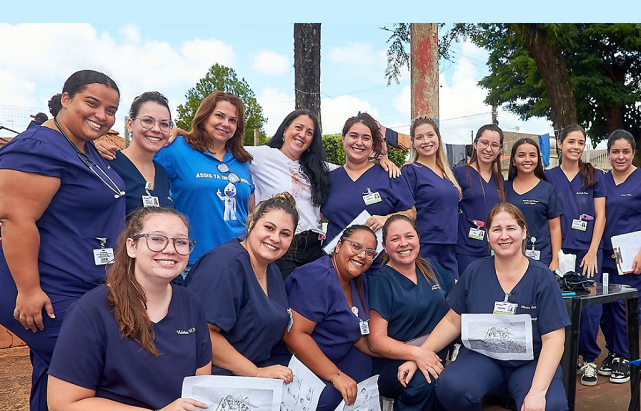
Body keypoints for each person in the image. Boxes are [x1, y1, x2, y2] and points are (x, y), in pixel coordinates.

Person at [43, 207, 247, 411]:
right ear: (132, 246)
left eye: (181, 242)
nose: (170, 249)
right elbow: (63, 406)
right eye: (157, 239)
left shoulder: (190, 303)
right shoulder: (93, 309)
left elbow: (202, 392)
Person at [0, 70, 125, 411]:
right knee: (98, 367)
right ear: (65, 98)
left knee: (52, 370)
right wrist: (29, 289)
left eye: (111, 110)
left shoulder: (78, 148)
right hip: (39, 288)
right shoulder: (36, 149)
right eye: (92, 103)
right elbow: (15, 218)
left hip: (77, 286)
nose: (102, 116)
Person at [398, 203, 570, 411]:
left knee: (553, 408)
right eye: (496, 229)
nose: (504, 236)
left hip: (528, 361)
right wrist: (421, 354)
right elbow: (452, 321)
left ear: (524, 232)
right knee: (450, 385)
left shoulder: (542, 278)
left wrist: (536, 392)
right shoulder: (475, 272)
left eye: (511, 228)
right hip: (483, 358)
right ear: (488, 236)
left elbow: (554, 339)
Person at [185, 193, 299, 411]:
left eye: (285, 233)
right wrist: (257, 373)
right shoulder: (224, 265)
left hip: (251, 364)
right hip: (212, 372)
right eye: (269, 228)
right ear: (251, 224)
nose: (275, 238)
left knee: (315, 395)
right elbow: (203, 336)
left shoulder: (270, 268)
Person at [102, 92, 254, 275]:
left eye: (233, 120)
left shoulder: (242, 161)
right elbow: (141, 154)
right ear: (204, 117)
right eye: (219, 116)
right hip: (191, 260)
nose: (225, 123)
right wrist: (95, 148)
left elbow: (248, 209)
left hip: (237, 260)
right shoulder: (176, 148)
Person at [277, 225, 377, 411]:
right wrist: (336, 376)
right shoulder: (317, 276)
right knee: (335, 389)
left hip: (329, 352)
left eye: (370, 252)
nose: (362, 255)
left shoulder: (358, 281)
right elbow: (293, 336)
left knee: (363, 364)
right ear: (339, 245)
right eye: (356, 246)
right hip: (293, 358)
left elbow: (356, 332)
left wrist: (398, 350)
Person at [367, 214, 455, 411]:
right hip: (394, 361)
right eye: (395, 239)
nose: (404, 243)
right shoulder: (382, 281)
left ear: (418, 238)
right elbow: (376, 341)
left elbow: (457, 305)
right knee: (427, 379)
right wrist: (417, 355)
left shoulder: (431, 268)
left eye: (409, 236)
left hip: (433, 352)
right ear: (384, 246)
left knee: (455, 386)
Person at [596, 130, 641, 384]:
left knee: (626, 308)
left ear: (634, 153)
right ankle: (614, 353)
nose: (620, 156)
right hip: (606, 255)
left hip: (635, 256)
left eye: (626, 151)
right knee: (605, 308)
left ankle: (628, 358)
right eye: (615, 151)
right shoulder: (601, 180)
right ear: (609, 153)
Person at [545, 124, 606, 386]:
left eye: (581, 143)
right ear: (560, 144)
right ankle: (561, 360)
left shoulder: (594, 175)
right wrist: (553, 256)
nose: (576, 147)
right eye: (571, 141)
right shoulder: (548, 177)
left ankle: (589, 359)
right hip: (558, 253)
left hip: (587, 252)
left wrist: (593, 251)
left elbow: (601, 216)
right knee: (557, 308)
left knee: (590, 308)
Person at [322, 112, 416, 275]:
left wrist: (387, 219)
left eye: (366, 138)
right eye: (353, 136)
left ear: (373, 144)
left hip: (377, 269)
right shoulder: (329, 179)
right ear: (343, 139)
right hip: (335, 268)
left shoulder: (388, 174)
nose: (359, 142)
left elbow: (412, 213)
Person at [244, 110, 332, 279]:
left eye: (309, 133)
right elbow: (222, 147)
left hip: (314, 248)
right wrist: (184, 134)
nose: (302, 135)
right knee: (285, 302)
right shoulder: (263, 156)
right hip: (283, 245)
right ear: (285, 129)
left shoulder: (317, 167)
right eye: (298, 127)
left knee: (312, 301)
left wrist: (381, 160)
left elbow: (352, 169)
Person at [400, 116, 462, 278]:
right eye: (419, 137)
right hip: (425, 246)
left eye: (430, 135)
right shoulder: (410, 171)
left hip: (450, 246)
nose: (426, 141)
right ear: (413, 143)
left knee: (450, 300)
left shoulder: (448, 174)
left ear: (438, 138)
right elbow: (404, 212)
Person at [108, 91, 174, 217]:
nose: (156, 129)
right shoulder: (109, 164)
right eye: (148, 121)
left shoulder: (161, 173)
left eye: (164, 124)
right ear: (130, 124)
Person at [452, 124, 505, 275]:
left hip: (493, 251)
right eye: (484, 143)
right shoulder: (460, 173)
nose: (489, 149)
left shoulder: (499, 179)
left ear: (500, 149)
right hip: (465, 251)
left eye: (494, 145)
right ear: (475, 144)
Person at [504, 137, 562, 270]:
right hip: (509, 258)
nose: (527, 159)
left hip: (542, 259)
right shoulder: (503, 188)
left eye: (532, 155)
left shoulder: (548, 190)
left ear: (538, 160)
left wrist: (555, 260)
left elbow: (555, 228)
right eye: (521, 155)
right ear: (513, 160)